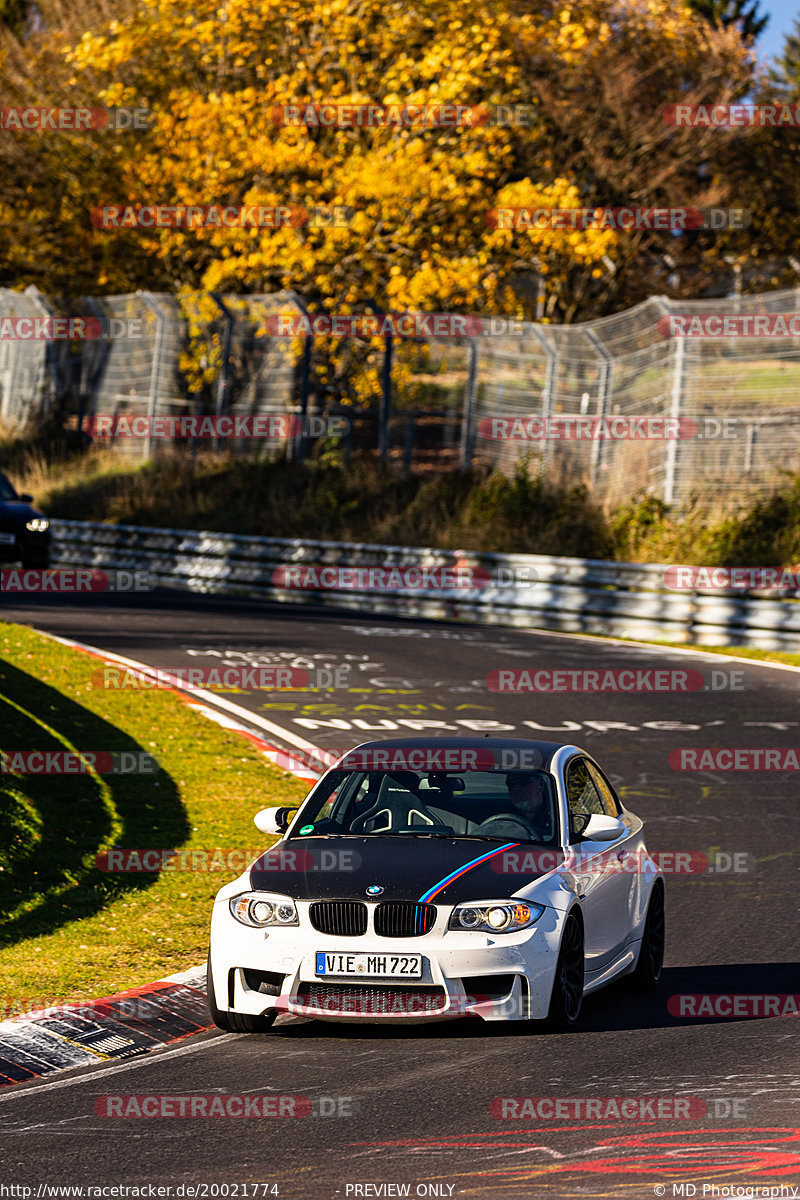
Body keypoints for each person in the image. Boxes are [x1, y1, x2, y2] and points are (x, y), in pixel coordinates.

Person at [504, 772, 551, 837]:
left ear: (541, 784)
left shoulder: (557, 815)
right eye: (511, 784)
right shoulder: (501, 818)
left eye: (523, 782)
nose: (516, 788)